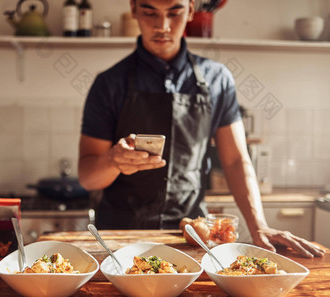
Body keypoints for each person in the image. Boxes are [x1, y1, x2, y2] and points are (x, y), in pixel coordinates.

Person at [78, 0, 325, 258]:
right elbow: (87, 177)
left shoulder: (218, 79)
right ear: (133, 8)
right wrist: (112, 161)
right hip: (120, 238)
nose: (162, 26)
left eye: (174, 12)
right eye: (150, 11)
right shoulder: (108, 84)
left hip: (193, 237)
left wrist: (258, 225)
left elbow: (235, 161)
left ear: (191, 9)